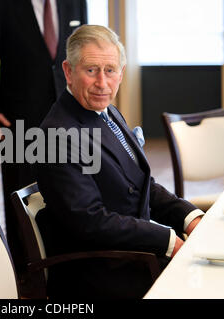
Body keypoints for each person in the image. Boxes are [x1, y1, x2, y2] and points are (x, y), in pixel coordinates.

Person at [33, 25, 204, 298]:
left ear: (121, 73)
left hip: (132, 254)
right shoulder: (56, 135)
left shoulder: (106, 111)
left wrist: (189, 218)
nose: (102, 82)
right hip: (101, 274)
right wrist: (169, 241)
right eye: (91, 71)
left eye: (110, 70)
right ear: (68, 71)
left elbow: (140, 184)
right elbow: (91, 222)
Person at [0, 0, 88, 280]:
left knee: (66, 186)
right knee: (19, 190)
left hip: (67, 109)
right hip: (16, 116)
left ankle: (63, 262)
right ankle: (25, 270)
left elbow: (86, 51)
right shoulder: (1, 4)